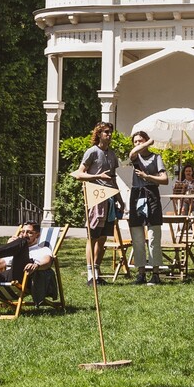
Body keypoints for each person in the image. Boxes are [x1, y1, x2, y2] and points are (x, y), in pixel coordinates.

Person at [70, 122, 120, 284]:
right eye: (106, 132)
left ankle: (97, 272)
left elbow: (113, 179)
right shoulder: (91, 152)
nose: (109, 134)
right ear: (98, 134)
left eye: (110, 132)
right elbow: (78, 174)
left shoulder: (112, 154)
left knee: (103, 237)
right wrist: (97, 177)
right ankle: (90, 273)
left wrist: (120, 199)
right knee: (93, 236)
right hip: (95, 197)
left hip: (110, 197)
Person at [126, 130, 168, 285]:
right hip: (136, 194)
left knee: (153, 235)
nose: (138, 144)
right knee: (137, 236)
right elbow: (132, 153)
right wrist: (148, 142)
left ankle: (155, 273)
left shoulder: (156, 158)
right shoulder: (135, 157)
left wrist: (148, 177)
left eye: (140, 141)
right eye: (135, 142)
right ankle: (141, 272)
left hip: (151, 193)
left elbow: (164, 179)